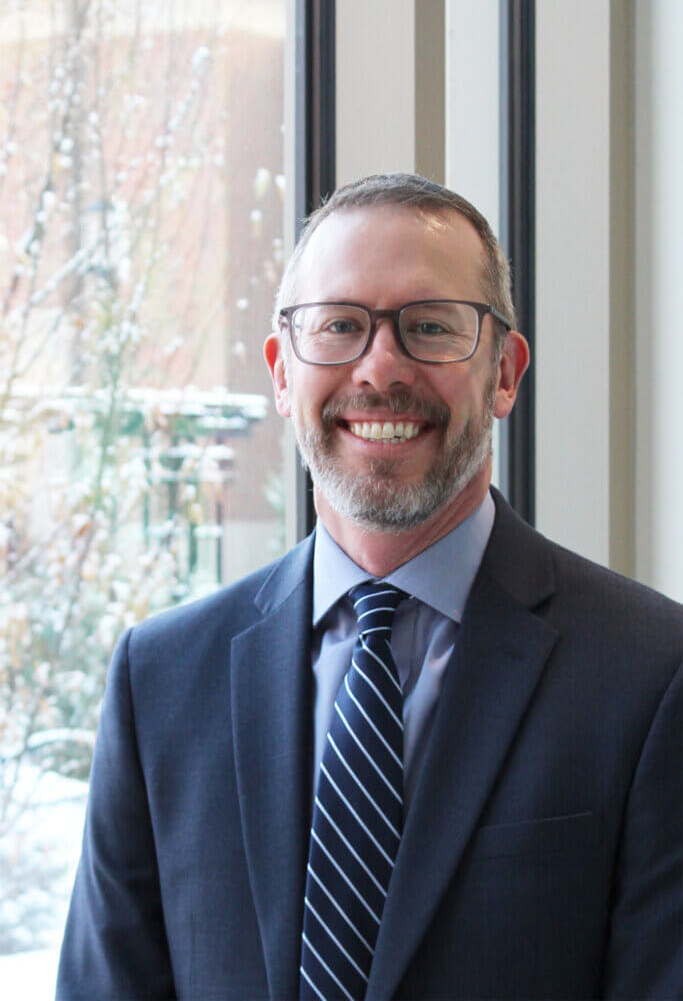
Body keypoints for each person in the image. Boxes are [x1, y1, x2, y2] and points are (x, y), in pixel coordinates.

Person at [57, 173, 682, 1000]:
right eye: (339, 326)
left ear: (503, 373)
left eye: (429, 327)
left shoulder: (651, 674)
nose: (379, 367)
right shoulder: (161, 680)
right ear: (282, 374)